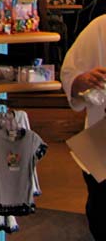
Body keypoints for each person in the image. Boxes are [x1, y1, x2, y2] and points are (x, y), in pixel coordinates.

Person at [61, 14, 106, 239]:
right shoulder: (101, 27)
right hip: (102, 142)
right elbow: (70, 75)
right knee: (102, 215)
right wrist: (82, 81)